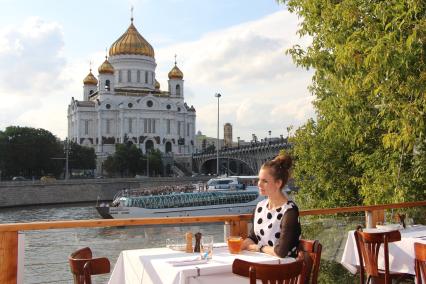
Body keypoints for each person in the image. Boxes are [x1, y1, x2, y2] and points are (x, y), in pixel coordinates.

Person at [241, 153, 301, 258]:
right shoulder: (260, 207)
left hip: (284, 268)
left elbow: (281, 252)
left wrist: (258, 248)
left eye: (264, 181)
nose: (259, 184)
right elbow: (253, 238)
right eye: (259, 179)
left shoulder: (289, 211)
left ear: (278, 183)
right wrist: (240, 245)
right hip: (262, 263)